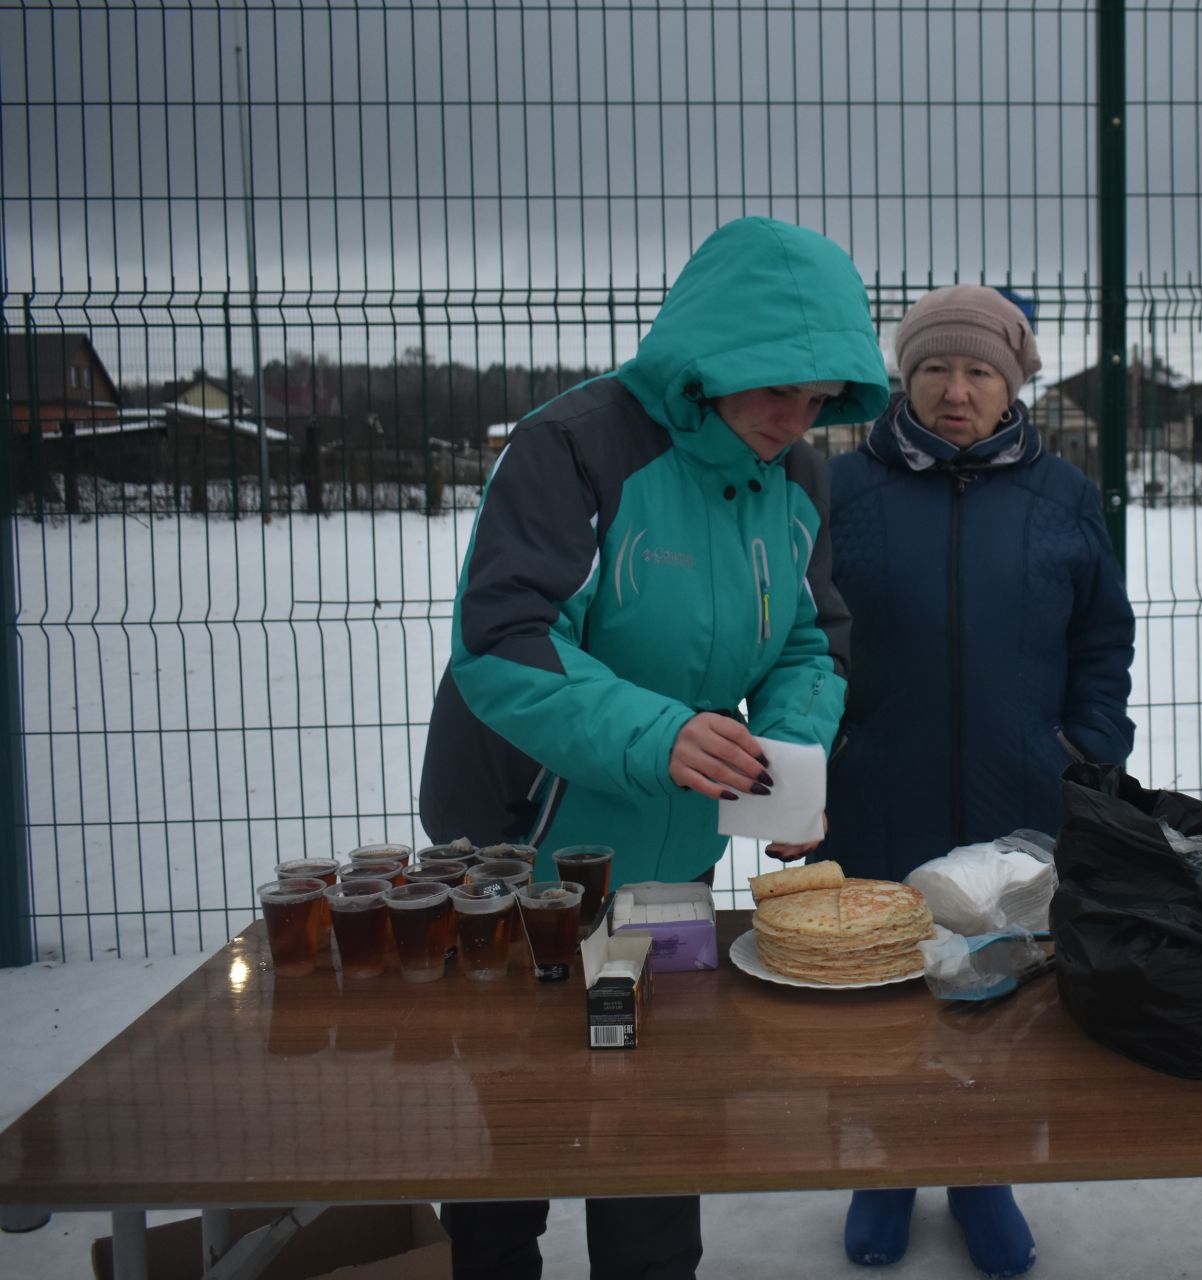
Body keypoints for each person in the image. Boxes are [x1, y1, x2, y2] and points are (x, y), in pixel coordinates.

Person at [417, 216, 891, 1280]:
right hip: (524, 855)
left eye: (819, 398)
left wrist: (784, 764)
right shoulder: (577, 446)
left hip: (667, 863)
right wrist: (659, 730)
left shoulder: (798, 478)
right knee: (518, 1124)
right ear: (709, 351)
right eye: (777, 386)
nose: (794, 418)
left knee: (650, 1118)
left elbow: (811, 642)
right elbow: (503, 639)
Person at [818, 284, 1136, 1277]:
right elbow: (796, 631)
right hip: (875, 783)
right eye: (934, 369)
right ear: (903, 379)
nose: (955, 390)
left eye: (978, 370)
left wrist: (1084, 743)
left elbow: (1103, 636)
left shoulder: (1065, 497)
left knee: (1000, 979)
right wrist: (817, 753)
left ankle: (983, 1170)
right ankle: (889, 1166)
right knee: (885, 984)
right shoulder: (839, 491)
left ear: (1013, 383)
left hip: (1018, 789)